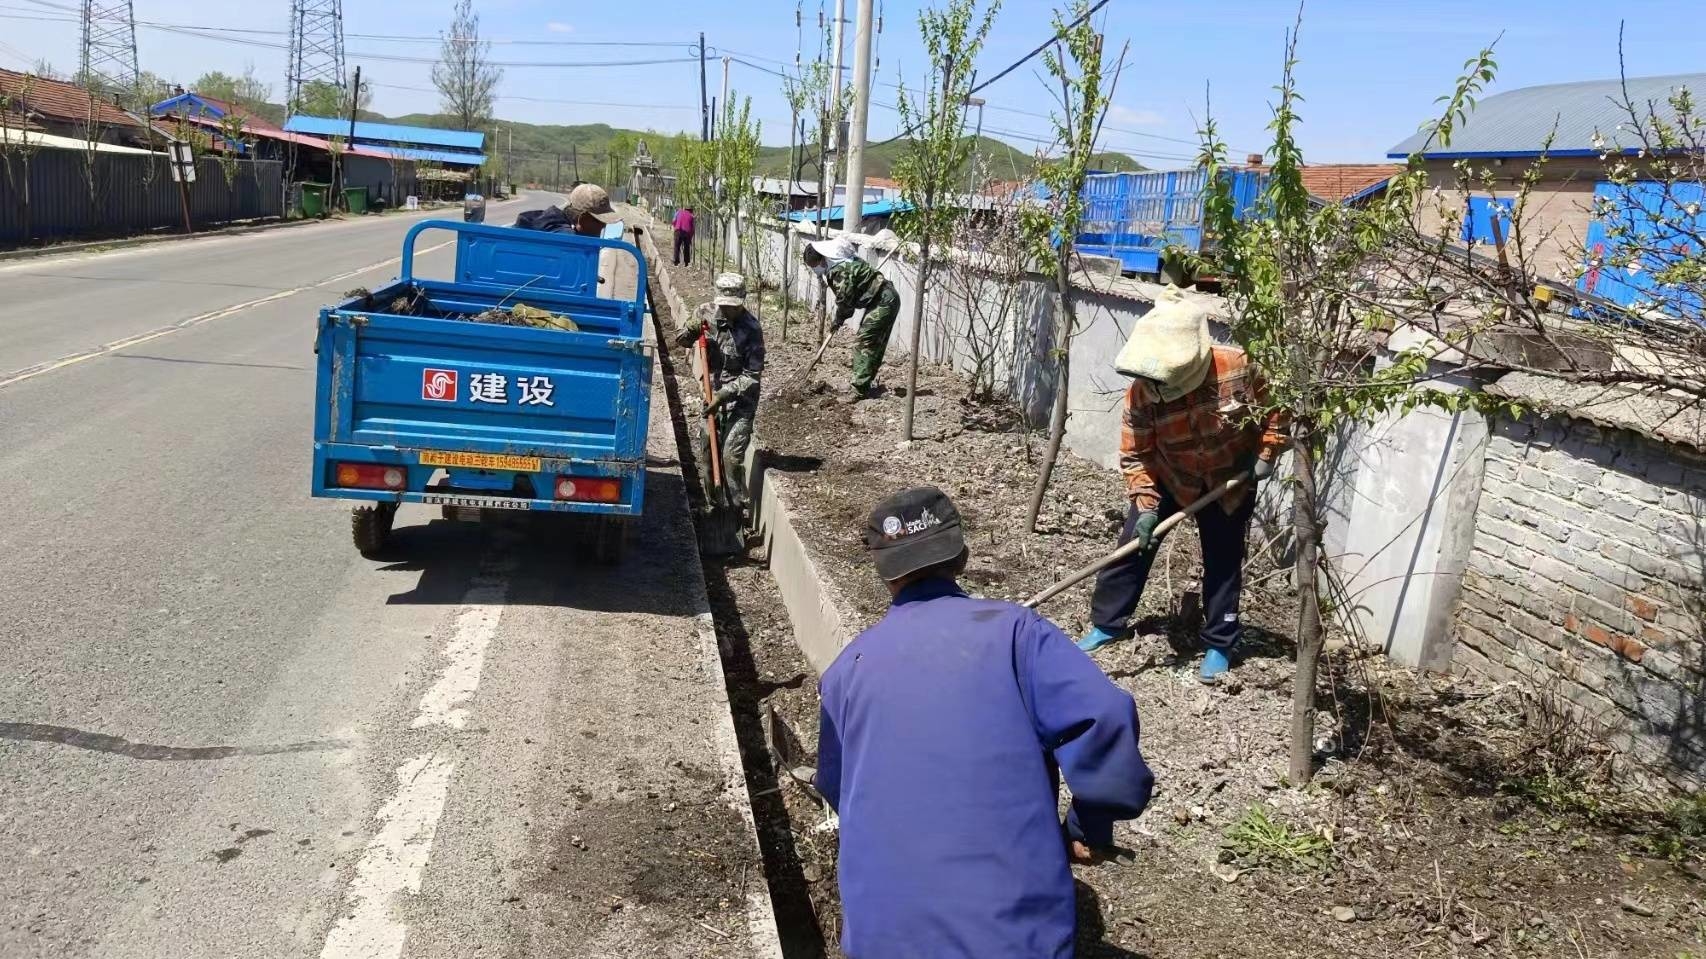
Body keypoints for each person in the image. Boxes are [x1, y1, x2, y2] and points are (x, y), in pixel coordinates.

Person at [817, 486, 1154, 959]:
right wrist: (1088, 827)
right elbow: (1105, 720)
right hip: (1011, 940)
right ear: (962, 557)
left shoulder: (845, 672)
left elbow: (836, 787)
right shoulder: (1018, 635)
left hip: (882, 939)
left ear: (885, 574)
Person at [1077, 303, 1289, 683]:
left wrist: (1267, 452)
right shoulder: (1141, 393)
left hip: (1228, 481)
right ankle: (1108, 623)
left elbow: (1278, 407)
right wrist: (1145, 506)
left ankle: (1220, 642)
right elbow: (1136, 453)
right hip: (1170, 477)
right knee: (1132, 548)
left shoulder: (1240, 367)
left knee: (1224, 561)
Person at [674, 272, 764, 514]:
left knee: (730, 458)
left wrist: (724, 394)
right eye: (724, 305)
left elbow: (752, 376)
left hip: (741, 401)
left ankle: (735, 510)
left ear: (742, 301)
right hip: (710, 394)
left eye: (733, 307)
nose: (727, 311)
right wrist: (691, 331)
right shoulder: (705, 312)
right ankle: (714, 506)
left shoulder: (752, 329)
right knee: (706, 455)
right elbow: (680, 341)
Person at [801, 238, 900, 401]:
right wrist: (839, 318)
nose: (815, 270)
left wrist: (837, 320)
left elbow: (846, 304)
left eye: (814, 266)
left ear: (822, 260)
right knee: (873, 343)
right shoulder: (842, 263)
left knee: (863, 342)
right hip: (883, 298)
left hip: (883, 300)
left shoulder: (840, 271)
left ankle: (859, 390)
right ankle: (864, 384)